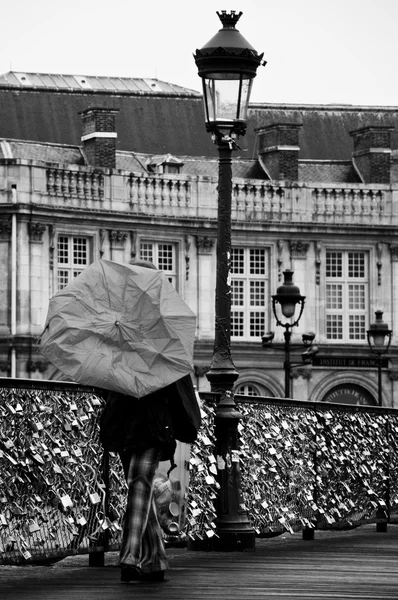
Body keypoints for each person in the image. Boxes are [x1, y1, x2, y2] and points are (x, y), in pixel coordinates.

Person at [99, 260, 201, 584]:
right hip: (125, 421)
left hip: (153, 424)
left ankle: (128, 556)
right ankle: (155, 560)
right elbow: (104, 377)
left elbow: (178, 377)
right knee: (137, 485)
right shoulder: (117, 327)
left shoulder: (163, 331)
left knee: (139, 482)